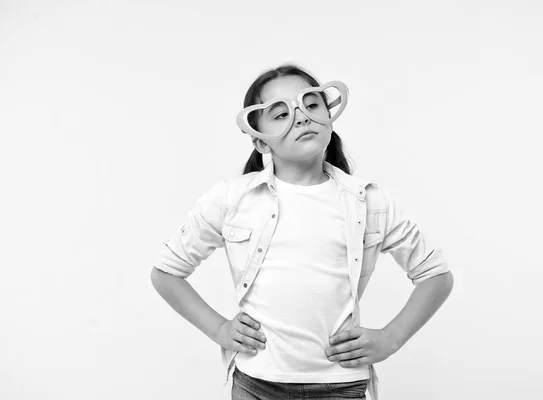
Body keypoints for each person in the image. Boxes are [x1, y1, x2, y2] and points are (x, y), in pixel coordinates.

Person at [151, 63, 454, 400]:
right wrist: (219, 329)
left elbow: (435, 276)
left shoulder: (369, 202)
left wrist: (391, 337)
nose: (301, 116)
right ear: (260, 142)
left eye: (310, 104)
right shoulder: (230, 199)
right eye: (280, 114)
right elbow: (166, 273)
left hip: (341, 386)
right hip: (255, 382)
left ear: (329, 116)